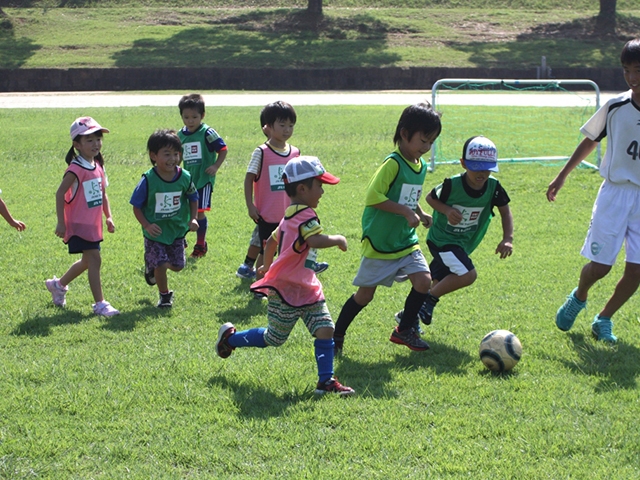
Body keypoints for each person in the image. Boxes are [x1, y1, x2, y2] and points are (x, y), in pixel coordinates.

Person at [216, 156, 354, 396]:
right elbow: (313, 240)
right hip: (287, 290)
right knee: (274, 337)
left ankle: (326, 381)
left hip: (307, 287)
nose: (322, 191)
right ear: (302, 188)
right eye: (319, 185)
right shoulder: (306, 216)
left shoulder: (290, 214)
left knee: (325, 329)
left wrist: (267, 266)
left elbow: (270, 242)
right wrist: (338, 239)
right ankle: (230, 339)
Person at [547, 38, 640, 343]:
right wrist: (562, 176)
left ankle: (604, 319)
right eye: (627, 71)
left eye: (637, 70)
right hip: (615, 194)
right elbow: (590, 140)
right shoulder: (616, 106)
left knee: (637, 271)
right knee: (600, 267)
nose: (632, 78)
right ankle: (579, 296)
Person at [333, 102, 441, 355]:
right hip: (380, 241)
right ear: (404, 134)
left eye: (431, 142)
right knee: (364, 296)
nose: (426, 148)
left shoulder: (421, 165)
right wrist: (405, 212)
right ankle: (336, 334)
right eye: (423, 140)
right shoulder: (392, 163)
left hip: (404, 239)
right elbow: (373, 196)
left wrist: (419, 212)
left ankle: (404, 330)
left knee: (424, 281)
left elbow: (408, 195)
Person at [396, 136, 513, 327]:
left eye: (487, 169)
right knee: (468, 274)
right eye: (476, 168)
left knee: (433, 281)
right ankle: (430, 300)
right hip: (441, 240)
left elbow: (505, 212)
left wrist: (508, 238)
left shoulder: (494, 187)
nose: (482, 174)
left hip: (462, 244)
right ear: (463, 163)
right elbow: (430, 198)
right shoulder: (452, 184)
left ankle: (407, 318)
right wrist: (447, 210)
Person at [240, 101, 327, 297]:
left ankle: (291, 280)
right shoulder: (261, 152)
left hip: (291, 214)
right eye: (282, 125)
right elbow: (248, 179)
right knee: (266, 250)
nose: (287, 130)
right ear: (268, 127)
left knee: (291, 249)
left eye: (291, 125)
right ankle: (260, 286)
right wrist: (250, 205)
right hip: (267, 214)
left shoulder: (295, 153)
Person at [46, 116, 119, 316]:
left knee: (87, 261)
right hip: (79, 224)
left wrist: (109, 216)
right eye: (89, 140)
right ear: (77, 144)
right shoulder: (76, 169)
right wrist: (61, 222)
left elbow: (103, 193)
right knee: (94, 259)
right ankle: (100, 304)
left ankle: (58, 285)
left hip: (93, 225)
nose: (96, 144)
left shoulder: (98, 166)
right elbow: (60, 193)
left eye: (98, 139)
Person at [130, 129, 199, 308]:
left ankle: (151, 265)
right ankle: (164, 295)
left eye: (176, 154)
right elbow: (136, 206)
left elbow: (193, 198)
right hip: (155, 232)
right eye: (166, 154)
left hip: (176, 230)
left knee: (178, 266)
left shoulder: (185, 177)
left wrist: (193, 218)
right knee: (160, 263)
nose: (172, 159)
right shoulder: (148, 179)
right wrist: (147, 224)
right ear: (154, 156)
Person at [177, 93, 228, 258]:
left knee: (199, 212)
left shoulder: (208, 132)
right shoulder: (181, 135)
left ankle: (200, 245)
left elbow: (223, 149)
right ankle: (180, 240)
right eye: (186, 117)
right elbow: (178, 156)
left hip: (203, 180)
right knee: (183, 210)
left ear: (202, 116)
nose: (190, 121)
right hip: (187, 180)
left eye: (194, 117)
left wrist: (215, 166)